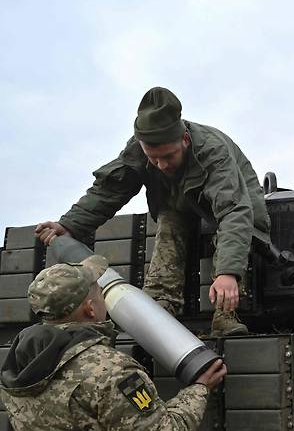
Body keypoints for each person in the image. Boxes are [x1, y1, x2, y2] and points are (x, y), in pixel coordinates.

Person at [35, 87, 271, 335]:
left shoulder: (213, 152)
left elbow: (234, 211)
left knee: (230, 237)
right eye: (154, 159)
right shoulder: (138, 150)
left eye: (169, 156)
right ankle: (160, 307)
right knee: (169, 222)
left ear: (185, 140)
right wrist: (69, 225)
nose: (162, 165)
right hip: (180, 204)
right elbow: (110, 190)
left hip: (238, 204)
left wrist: (227, 273)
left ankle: (225, 315)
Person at [0, 256, 227, 431]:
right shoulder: (109, 370)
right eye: (99, 292)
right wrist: (199, 390)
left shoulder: (16, 366)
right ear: (90, 308)